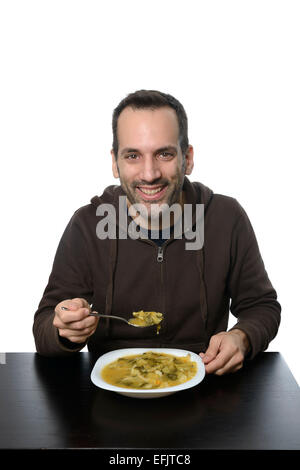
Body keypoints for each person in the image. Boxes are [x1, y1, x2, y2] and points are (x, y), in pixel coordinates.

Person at [33, 89, 281, 375]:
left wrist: (242, 337)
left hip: (205, 384)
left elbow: (262, 306)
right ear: (115, 162)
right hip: (112, 391)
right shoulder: (88, 224)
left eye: (164, 154)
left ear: (187, 158)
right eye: (133, 155)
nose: (149, 173)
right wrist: (65, 329)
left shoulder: (226, 217)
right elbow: (44, 327)